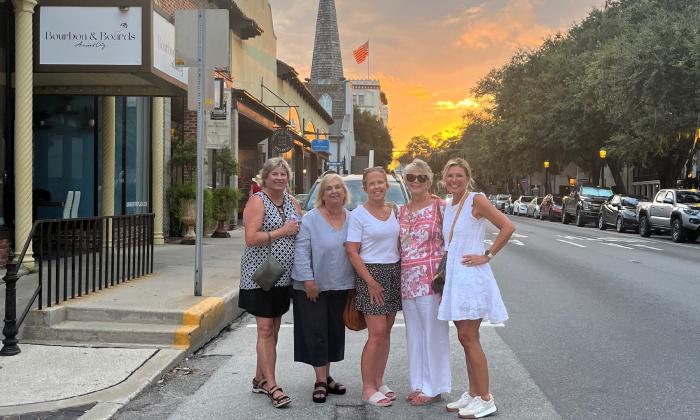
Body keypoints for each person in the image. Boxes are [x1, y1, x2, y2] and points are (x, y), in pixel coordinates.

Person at [439, 158, 515, 419]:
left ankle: (485, 398)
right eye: (450, 176)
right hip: (456, 277)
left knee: (469, 338)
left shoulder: (476, 200)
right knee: (465, 337)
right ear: (444, 179)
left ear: (468, 177)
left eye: (459, 175)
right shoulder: (450, 204)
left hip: (471, 277)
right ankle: (473, 393)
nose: (454, 180)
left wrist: (488, 254)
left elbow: (508, 226)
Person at [239, 157, 301, 409]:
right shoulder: (257, 201)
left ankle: (259, 377)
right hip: (261, 274)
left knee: (273, 328)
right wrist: (281, 232)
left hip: (283, 275)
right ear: (265, 177)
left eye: (283, 174)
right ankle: (272, 385)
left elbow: (300, 228)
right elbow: (250, 238)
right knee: (265, 327)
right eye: (274, 174)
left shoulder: (292, 201)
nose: (279, 178)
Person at [291, 173, 355, 404]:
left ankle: (326, 378)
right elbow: (301, 251)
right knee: (316, 332)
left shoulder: (352, 219)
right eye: (329, 188)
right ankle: (320, 381)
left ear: (344, 193)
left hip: (341, 286)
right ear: (322, 195)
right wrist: (308, 281)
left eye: (338, 187)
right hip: (312, 288)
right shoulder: (311, 219)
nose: (334, 191)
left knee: (332, 333)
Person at [345, 167, 402, 408]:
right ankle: (367, 388)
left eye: (381, 182)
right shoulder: (359, 215)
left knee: (386, 332)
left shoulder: (394, 211)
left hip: (393, 272)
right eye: (372, 183)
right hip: (372, 275)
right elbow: (351, 250)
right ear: (365, 188)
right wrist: (369, 281)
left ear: (386, 186)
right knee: (376, 333)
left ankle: (378, 381)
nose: (378, 187)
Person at [398, 159, 451, 406]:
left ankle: (434, 387)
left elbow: (454, 238)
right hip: (407, 280)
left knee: (433, 334)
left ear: (429, 180)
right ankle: (419, 383)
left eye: (421, 177)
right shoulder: (401, 210)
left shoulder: (441, 206)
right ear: (406, 181)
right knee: (414, 334)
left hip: (432, 280)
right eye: (411, 178)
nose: (416, 182)